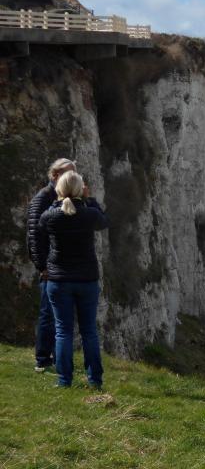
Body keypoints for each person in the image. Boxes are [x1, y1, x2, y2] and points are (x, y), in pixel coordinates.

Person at [39, 171, 108, 388]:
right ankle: (95, 380)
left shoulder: (50, 216)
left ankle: (64, 380)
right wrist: (90, 200)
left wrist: (57, 201)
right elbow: (104, 221)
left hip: (59, 281)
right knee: (89, 331)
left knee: (63, 331)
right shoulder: (89, 215)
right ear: (81, 189)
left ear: (58, 189)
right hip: (86, 279)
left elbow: (42, 221)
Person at [27, 158, 76, 372]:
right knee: (48, 315)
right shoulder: (43, 198)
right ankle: (42, 360)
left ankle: (58, 359)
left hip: (62, 268)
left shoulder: (61, 198)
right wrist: (42, 267)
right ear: (55, 175)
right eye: (67, 173)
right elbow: (34, 236)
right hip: (49, 268)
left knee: (60, 316)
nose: (72, 177)